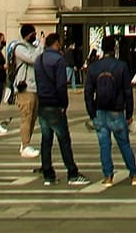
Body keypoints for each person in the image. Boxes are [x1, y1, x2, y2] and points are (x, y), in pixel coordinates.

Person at [85, 35, 136, 186]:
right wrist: (129, 113)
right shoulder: (121, 66)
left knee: (104, 145)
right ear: (115, 48)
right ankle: (134, 175)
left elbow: (88, 92)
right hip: (116, 110)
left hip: (100, 110)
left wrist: (92, 113)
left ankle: (108, 177)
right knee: (124, 144)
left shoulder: (94, 67)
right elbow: (127, 92)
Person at [34, 31, 89, 186]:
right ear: (56, 43)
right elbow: (60, 85)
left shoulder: (39, 59)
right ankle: (72, 172)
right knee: (64, 139)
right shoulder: (59, 60)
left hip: (42, 103)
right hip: (55, 104)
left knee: (46, 140)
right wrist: (64, 104)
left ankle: (48, 174)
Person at [11, 23, 42, 158]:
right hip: (25, 88)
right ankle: (25, 145)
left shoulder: (33, 47)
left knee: (32, 117)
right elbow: (33, 58)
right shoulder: (19, 48)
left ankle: (25, 142)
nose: (34, 36)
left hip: (35, 87)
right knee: (26, 117)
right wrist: (41, 45)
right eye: (33, 33)